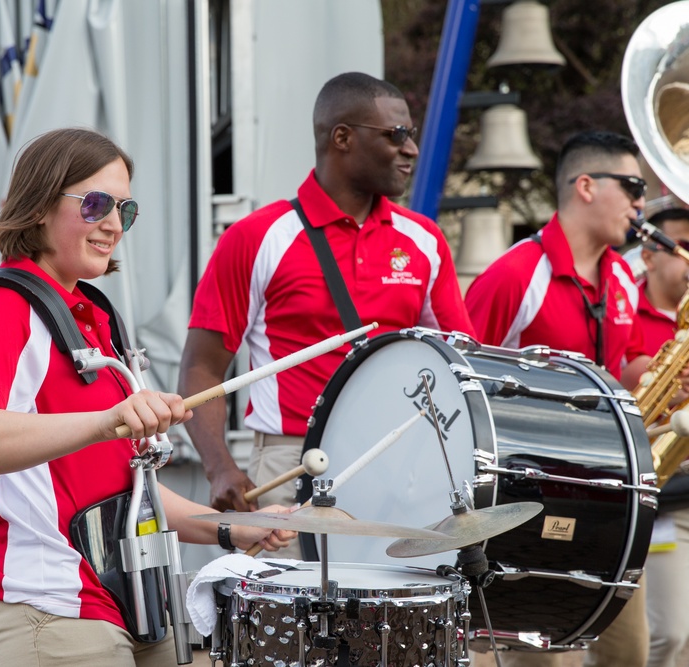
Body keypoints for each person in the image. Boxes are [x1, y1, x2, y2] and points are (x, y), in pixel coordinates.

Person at [0, 128, 294, 667]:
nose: (112, 225)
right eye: (96, 204)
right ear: (38, 206)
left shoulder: (95, 318)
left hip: (131, 599)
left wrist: (235, 529)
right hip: (48, 607)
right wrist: (107, 419)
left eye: (125, 209)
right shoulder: (2, 308)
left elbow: (123, 492)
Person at [178, 72, 475, 557]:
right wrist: (220, 467)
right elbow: (201, 368)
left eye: (412, 135)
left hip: (399, 462)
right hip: (291, 461)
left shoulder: (425, 239)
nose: (411, 150)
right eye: (396, 135)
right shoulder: (258, 237)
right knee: (292, 631)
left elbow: (460, 362)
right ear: (342, 138)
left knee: (395, 630)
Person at [464, 130, 653, 667]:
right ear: (587, 186)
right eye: (634, 186)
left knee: (628, 653)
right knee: (533, 654)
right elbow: (459, 374)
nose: (642, 203)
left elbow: (628, 367)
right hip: (528, 489)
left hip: (607, 492)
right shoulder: (515, 274)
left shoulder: (623, 278)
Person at [635, 207, 689, 667]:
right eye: (684, 246)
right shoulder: (622, 311)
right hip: (661, 496)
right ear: (649, 257)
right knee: (666, 636)